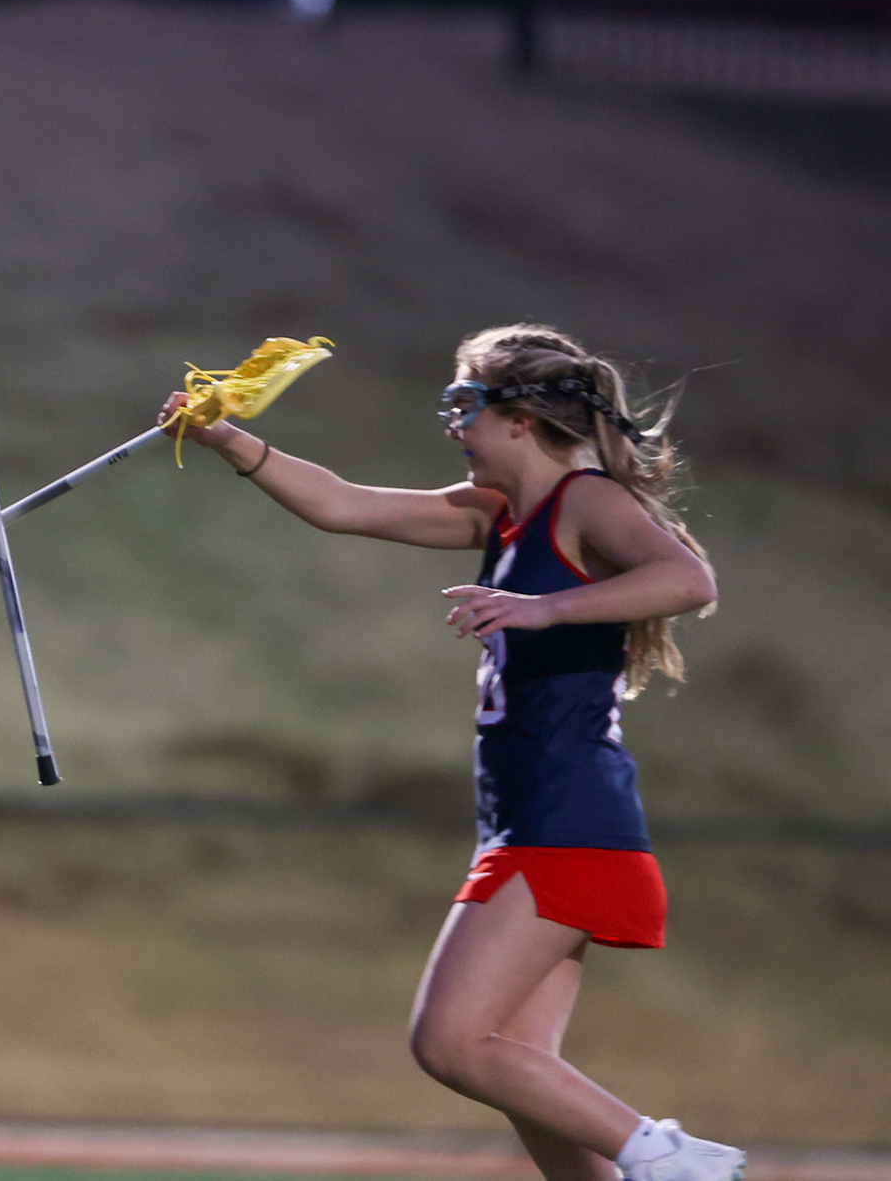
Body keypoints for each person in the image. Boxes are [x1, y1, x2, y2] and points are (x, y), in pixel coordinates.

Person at [159, 325, 743, 1181]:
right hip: (532, 823)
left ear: (520, 418)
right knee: (519, 1069)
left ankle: (675, 1162)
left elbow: (690, 581)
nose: (452, 424)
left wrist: (543, 609)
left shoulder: (584, 501)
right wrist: (225, 438)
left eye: (463, 404)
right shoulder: (500, 516)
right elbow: (344, 504)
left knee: (451, 1043)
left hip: (565, 818)